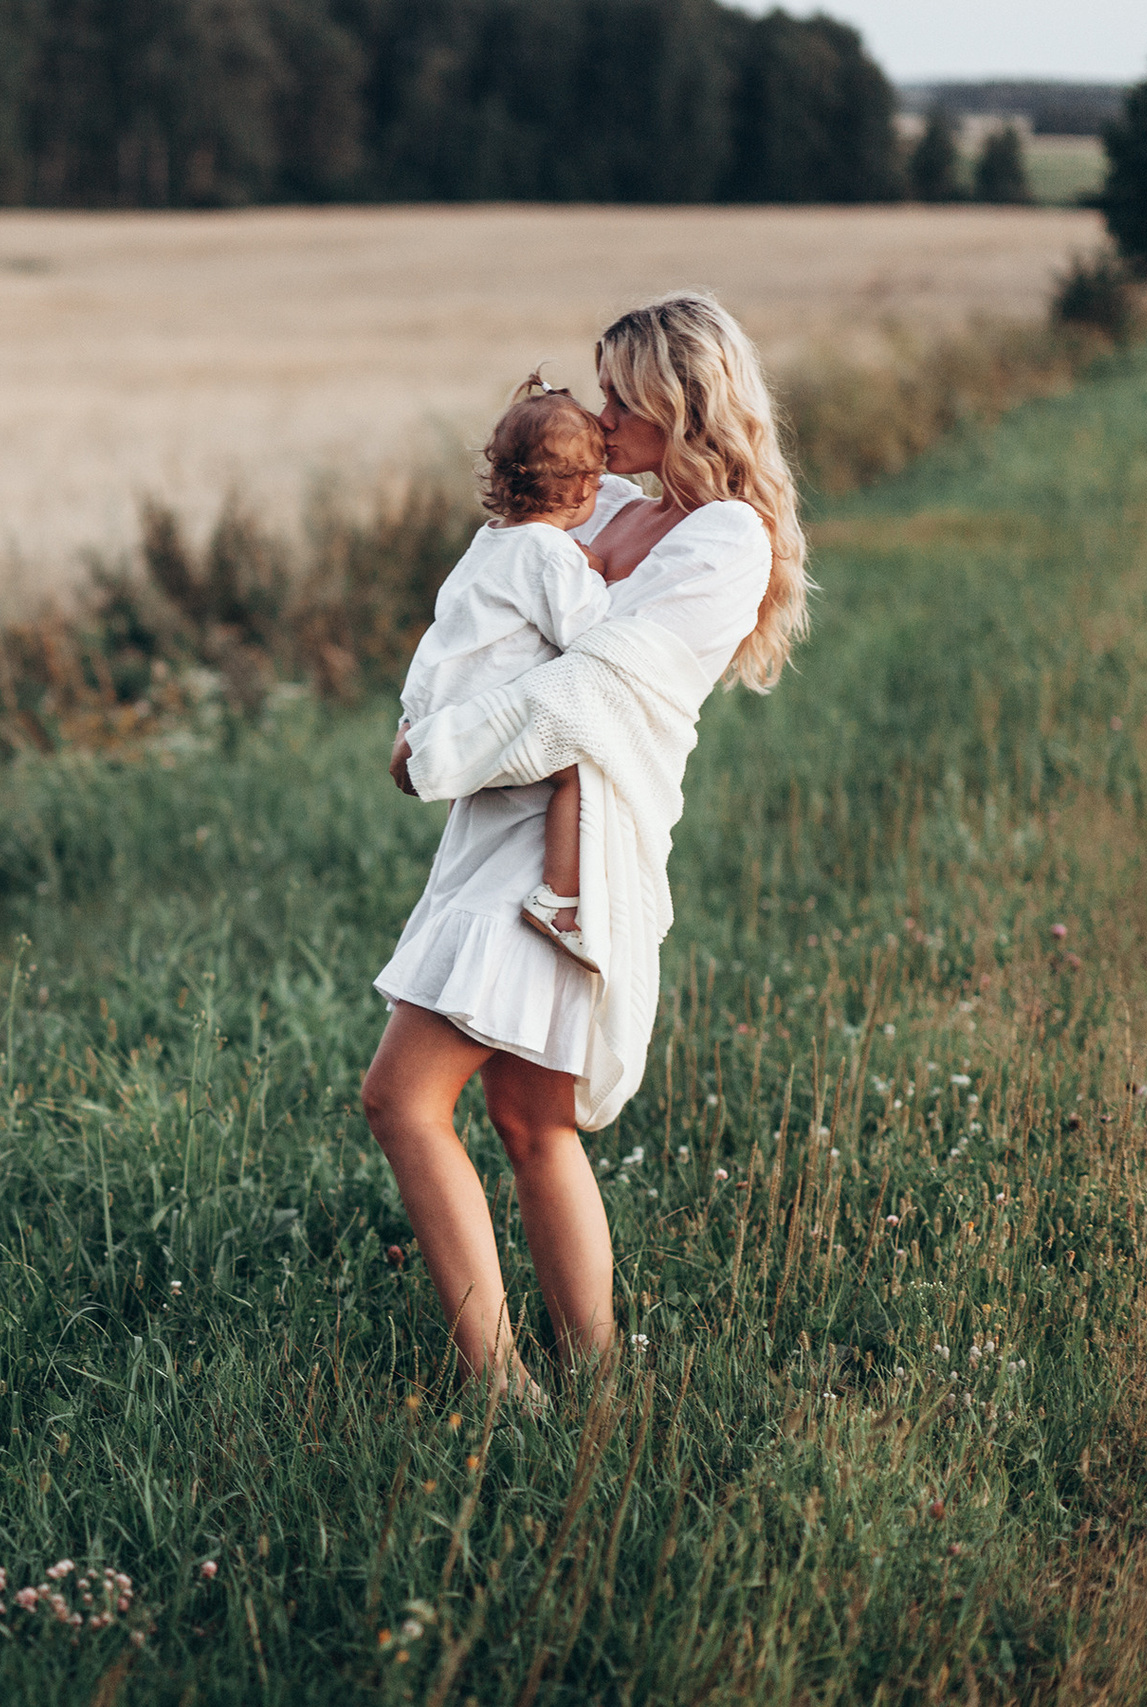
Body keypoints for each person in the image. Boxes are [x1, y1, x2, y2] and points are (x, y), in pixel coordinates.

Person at [364, 292, 811, 1396]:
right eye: (600, 394)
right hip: (502, 824)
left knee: (401, 1101)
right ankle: (599, 1375)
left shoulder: (725, 542)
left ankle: (499, 1378)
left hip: (567, 847)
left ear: (683, 402)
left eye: (622, 398)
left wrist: (437, 749)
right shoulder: (609, 499)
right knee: (527, 1119)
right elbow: (488, 605)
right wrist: (430, 709)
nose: (601, 417)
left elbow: (593, 690)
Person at [392, 371, 630, 977]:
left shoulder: (493, 539)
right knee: (578, 771)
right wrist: (603, 574)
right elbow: (591, 634)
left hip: (442, 709)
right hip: (486, 721)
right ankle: (559, 900)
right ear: (583, 490)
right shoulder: (551, 555)